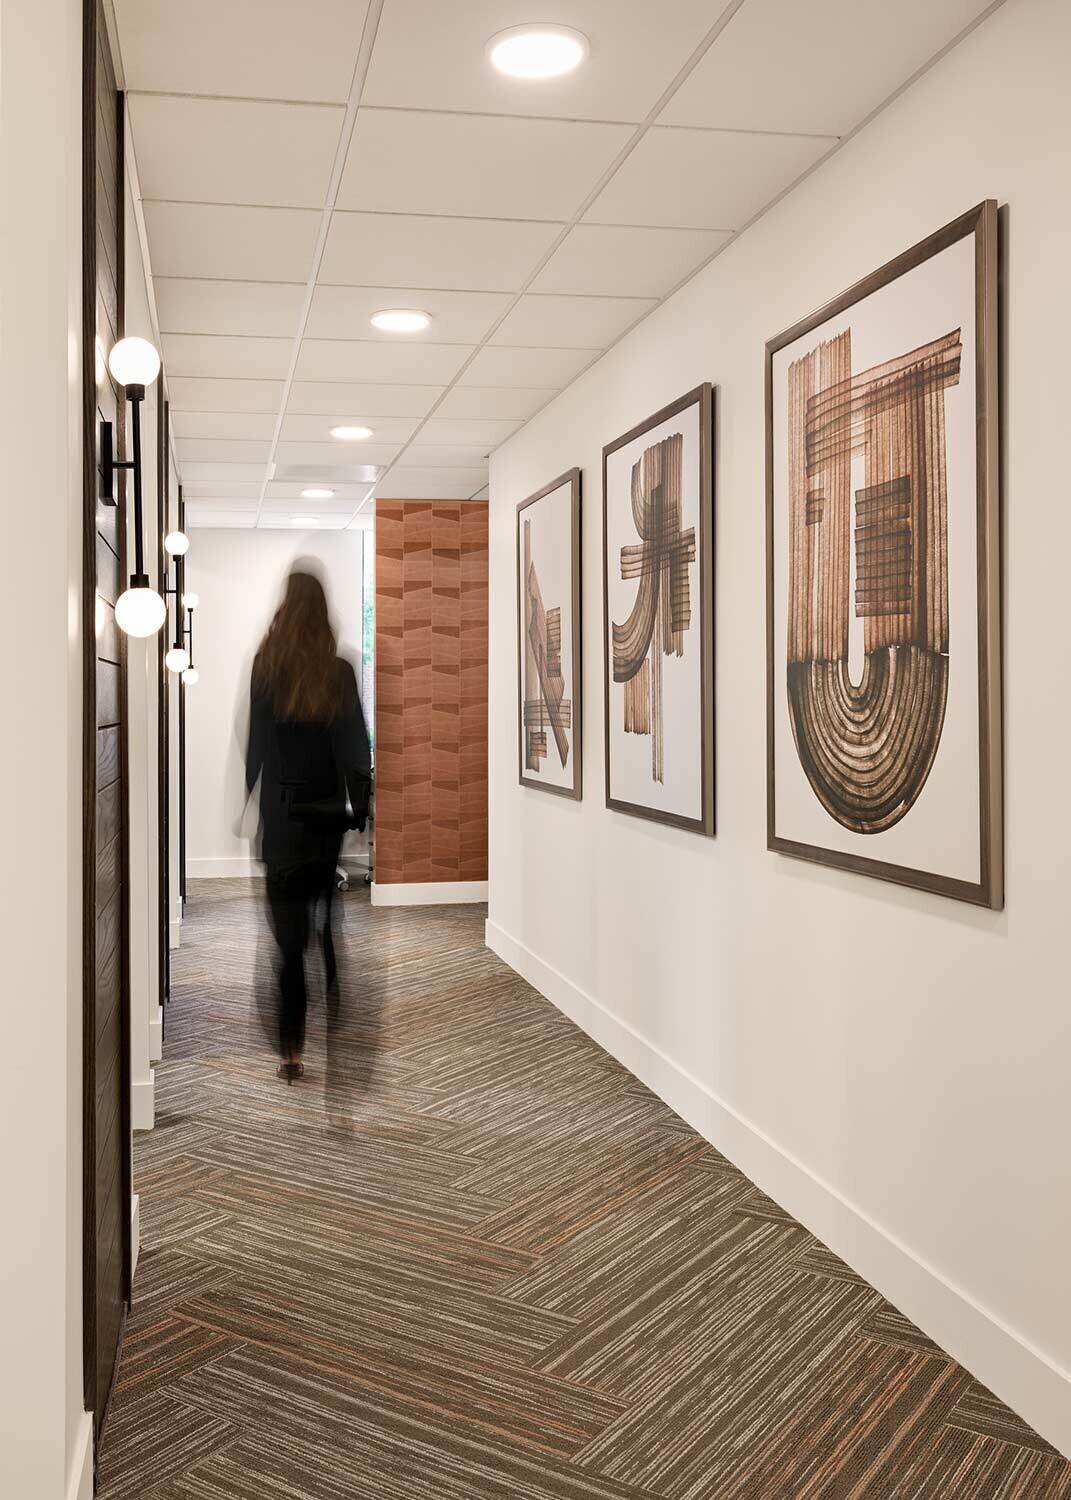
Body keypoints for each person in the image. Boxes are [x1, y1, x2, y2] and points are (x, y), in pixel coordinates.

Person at [245, 567, 371, 1082]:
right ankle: (333, 981)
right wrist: (360, 807)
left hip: (281, 821)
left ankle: (292, 1049)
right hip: (323, 820)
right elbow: (354, 745)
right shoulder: (337, 671)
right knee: (324, 913)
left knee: (286, 943)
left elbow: (254, 742)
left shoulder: (265, 666)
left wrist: (249, 797)